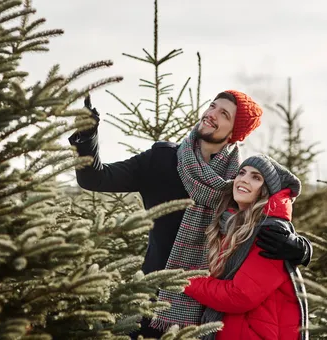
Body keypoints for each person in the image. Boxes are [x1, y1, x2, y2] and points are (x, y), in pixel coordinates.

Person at [68, 90, 312, 338]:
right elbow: (95, 178)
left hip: (209, 315)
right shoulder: (161, 160)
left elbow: (268, 214)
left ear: (234, 133)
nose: (211, 114)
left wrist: (301, 248)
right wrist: (87, 136)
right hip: (152, 299)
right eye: (212, 106)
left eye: (223, 114)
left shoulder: (236, 180)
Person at [181, 154, 309, 340]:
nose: (243, 179)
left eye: (256, 177)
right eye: (242, 173)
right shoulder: (229, 223)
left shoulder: (271, 232)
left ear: (265, 191)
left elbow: (240, 296)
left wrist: (185, 281)